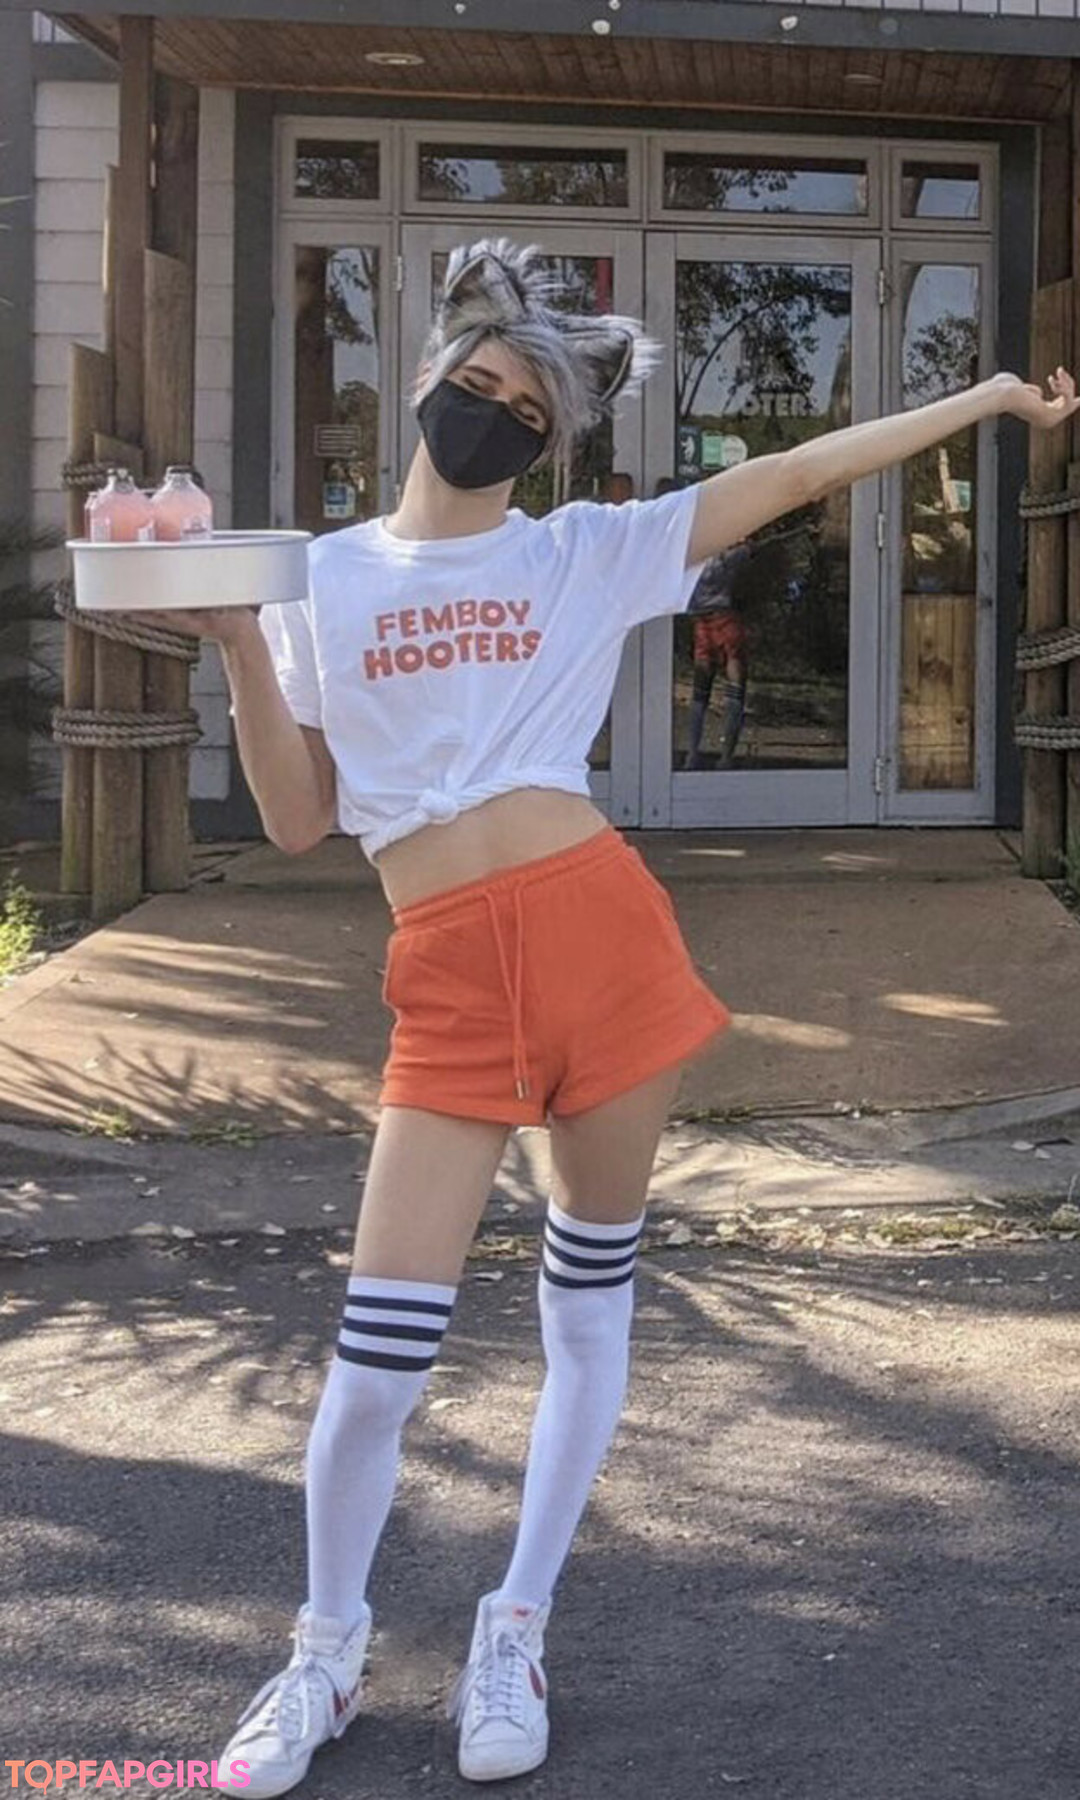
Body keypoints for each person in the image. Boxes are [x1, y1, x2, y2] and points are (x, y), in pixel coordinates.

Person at [121, 237, 1078, 1790]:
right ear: (425, 378)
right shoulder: (318, 580)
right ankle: (324, 1651)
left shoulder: (584, 552)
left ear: (550, 441)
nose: (492, 414)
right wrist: (236, 640)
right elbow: (297, 819)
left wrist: (981, 398)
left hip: (602, 942)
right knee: (377, 1359)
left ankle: (517, 1623)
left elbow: (800, 470)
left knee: (588, 1302)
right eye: (479, 383)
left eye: (526, 409)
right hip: (447, 969)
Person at [684, 543, 752, 770]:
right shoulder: (729, 556)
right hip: (725, 620)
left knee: (699, 693)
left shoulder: (693, 557)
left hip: (701, 623)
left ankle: (692, 754)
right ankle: (726, 756)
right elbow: (749, 551)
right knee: (735, 691)